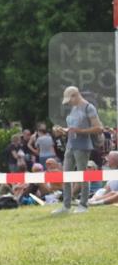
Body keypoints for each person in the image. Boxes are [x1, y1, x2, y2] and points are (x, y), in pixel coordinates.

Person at [53, 86, 104, 215]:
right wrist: (63, 131)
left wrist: (80, 131)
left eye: (70, 99)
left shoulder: (89, 108)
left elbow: (99, 128)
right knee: (66, 175)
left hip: (83, 146)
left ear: (75, 95)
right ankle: (66, 205)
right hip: (70, 145)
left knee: (83, 176)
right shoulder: (74, 108)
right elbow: (72, 128)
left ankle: (83, 205)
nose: (69, 103)